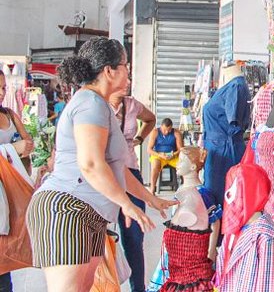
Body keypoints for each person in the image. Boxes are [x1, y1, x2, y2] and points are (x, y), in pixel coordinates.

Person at [25, 38, 176, 292]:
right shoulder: (90, 104)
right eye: (125, 65)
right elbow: (92, 164)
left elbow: (116, 168)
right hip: (67, 210)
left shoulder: (98, 105)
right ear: (109, 71)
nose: (129, 72)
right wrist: (126, 204)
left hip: (87, 214)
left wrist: (150, 199)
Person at [109, 86, 157, 292]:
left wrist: (139, 139)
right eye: (122, 70)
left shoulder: (132, 105)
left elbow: (151, 120)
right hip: (105, 176)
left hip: (130, 171)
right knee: (100, 236)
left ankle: (138, 288)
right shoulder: (96, 105)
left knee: (134, 236)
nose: (127, 79)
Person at [0, 72, 34, 292]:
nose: (1, 93)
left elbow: (28, 142)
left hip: (8, 189)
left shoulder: (10, 114)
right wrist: (13, 149)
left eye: (3, 88)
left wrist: (25, 149)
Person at [148, 118, 183, 194]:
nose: (167, 132)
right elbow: (149, 150)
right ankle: (152, 188)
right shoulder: (155, 132)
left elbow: (181, 149)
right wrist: (160, 155)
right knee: (155, 165)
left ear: (171, 127)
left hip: (173, 155)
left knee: (184, 165)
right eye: (164, 130)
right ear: (161, 127)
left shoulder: (176, 133)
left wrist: (173, 154)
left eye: (169, 130)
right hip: (159, 155)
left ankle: (184, 187)